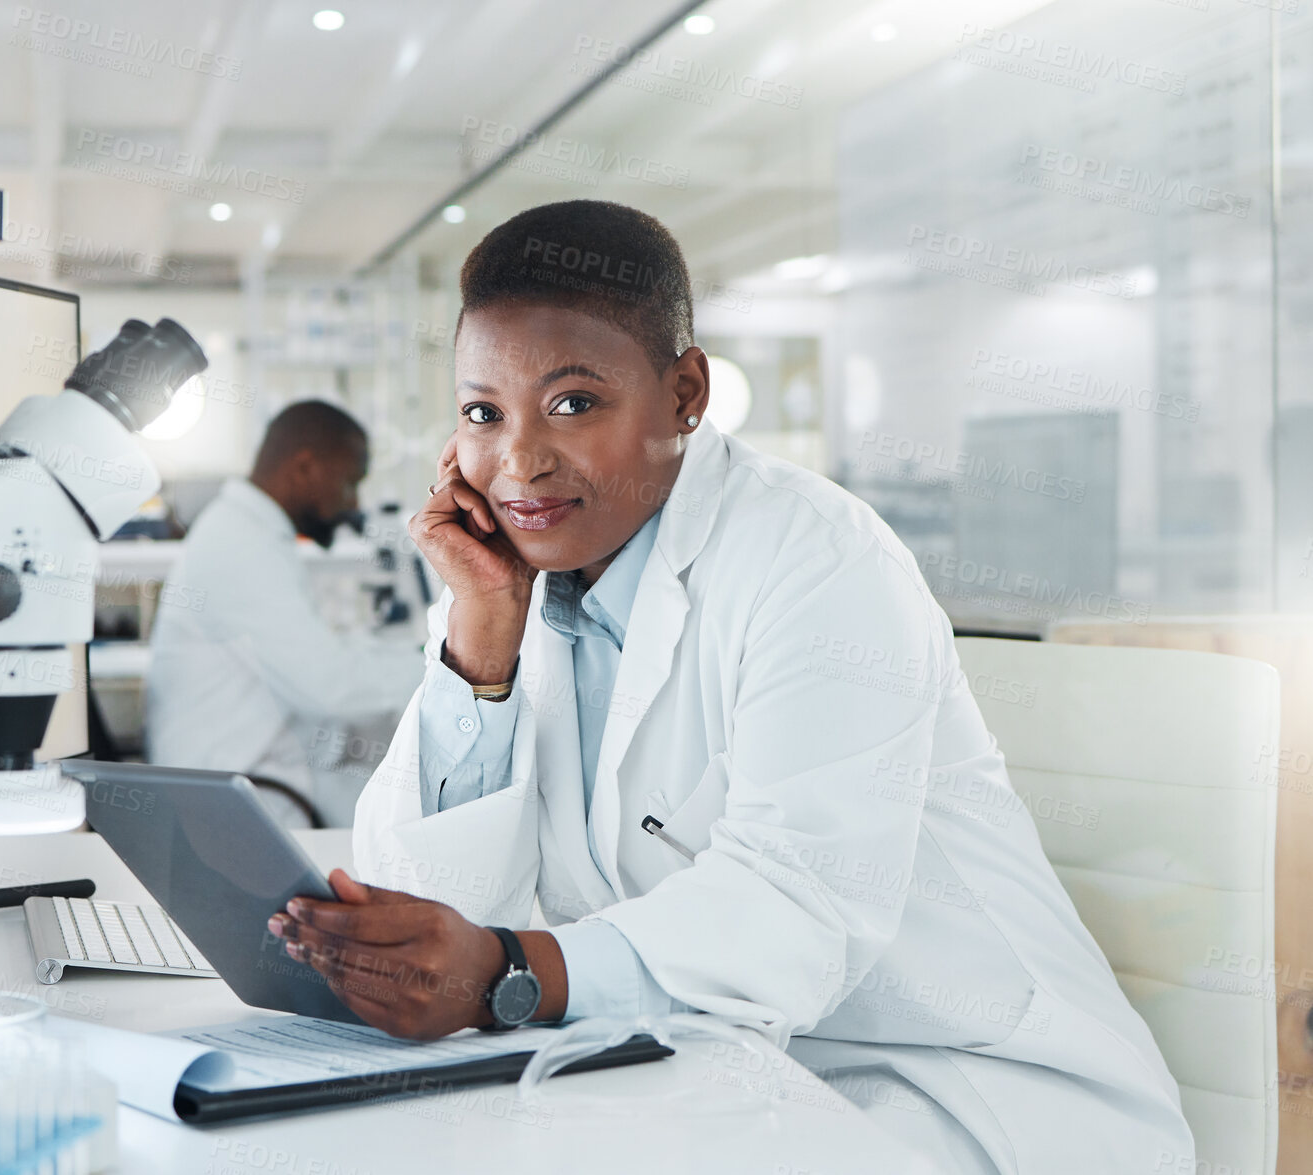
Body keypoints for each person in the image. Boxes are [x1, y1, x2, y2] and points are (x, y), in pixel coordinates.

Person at [265, 202, 1196, 1171]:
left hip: (958, 1083)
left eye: (573, 402)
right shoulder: (512, 589)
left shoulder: (817, 557)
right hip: (706, 1068)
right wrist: (482, 642)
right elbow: (429, 917)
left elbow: (799, 905)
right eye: (481, 412)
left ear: (685, 393)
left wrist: (511, 969)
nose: (520, 461)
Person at [145, 400, 424, 826]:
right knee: (420, 806)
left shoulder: (246, 531)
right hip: (245, 801)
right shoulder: (239, 545)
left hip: (255, 775)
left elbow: (318, 666)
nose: (352, 502)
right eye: (349, 481)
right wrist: (443, 669)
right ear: (306, 467)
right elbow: (330, 688)